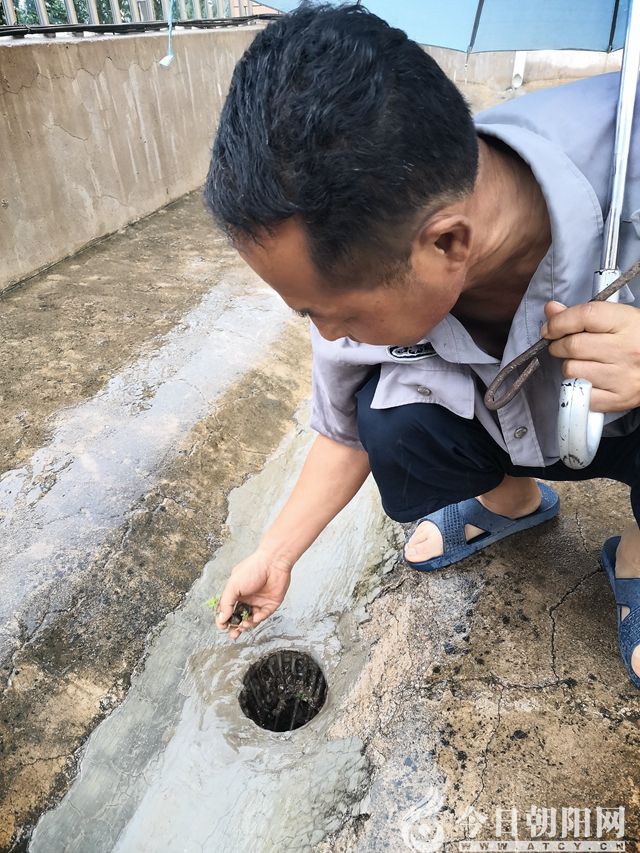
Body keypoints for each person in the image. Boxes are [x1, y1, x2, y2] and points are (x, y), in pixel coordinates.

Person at [203, 4, 640, 688]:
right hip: (534, 424)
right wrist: (276, 554)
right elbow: (342, 433)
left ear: (447, 244)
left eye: (335, 311)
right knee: (387, 416)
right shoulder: (387, 213)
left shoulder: (626, 159)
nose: (327, 334)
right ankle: (512, 501)